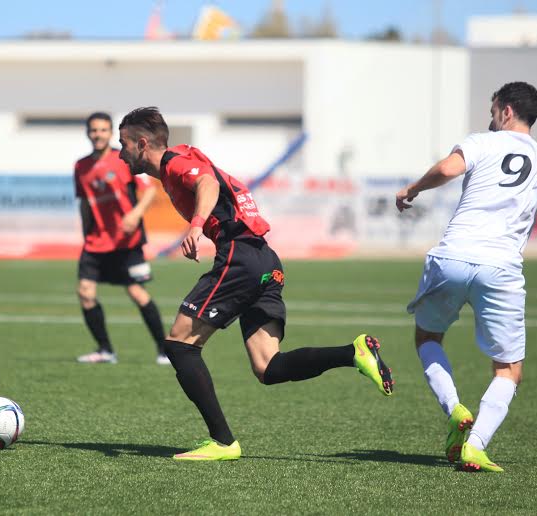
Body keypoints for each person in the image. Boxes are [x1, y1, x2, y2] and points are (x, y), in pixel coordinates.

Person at [117, 106, 394, 461]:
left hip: (241, 256)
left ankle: (222, 442)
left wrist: (197, 226)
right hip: (265, 259)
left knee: (180, 344)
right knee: (268, 367)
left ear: (142, 144)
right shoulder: (184, 158)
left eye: (124, 144)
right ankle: (353, 353)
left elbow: (207, 183)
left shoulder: (175, 162)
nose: (121, 153)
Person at [396, 82, 537, 472]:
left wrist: (412, 189)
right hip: (501, 269)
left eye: (493, 111)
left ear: (506, 111)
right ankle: (476, 445)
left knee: (428, 338)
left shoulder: (481, 142)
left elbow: (447, 169)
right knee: (508, 369)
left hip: (452, 256)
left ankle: (454, 408)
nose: (490, 119)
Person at [74, 112, 169, 365]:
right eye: (94, 130)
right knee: (85, 292)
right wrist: (85, 232)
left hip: (127, 241)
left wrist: (135, 215)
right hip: (96, 241)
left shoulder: (124, 158)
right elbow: (84, 203)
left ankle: (164, 350)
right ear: (88, 133)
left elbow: (149, 192)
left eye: (103, 130)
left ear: (110, 133)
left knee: (137, 293)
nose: (98, 135)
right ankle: (105, 350)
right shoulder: (80, 166)